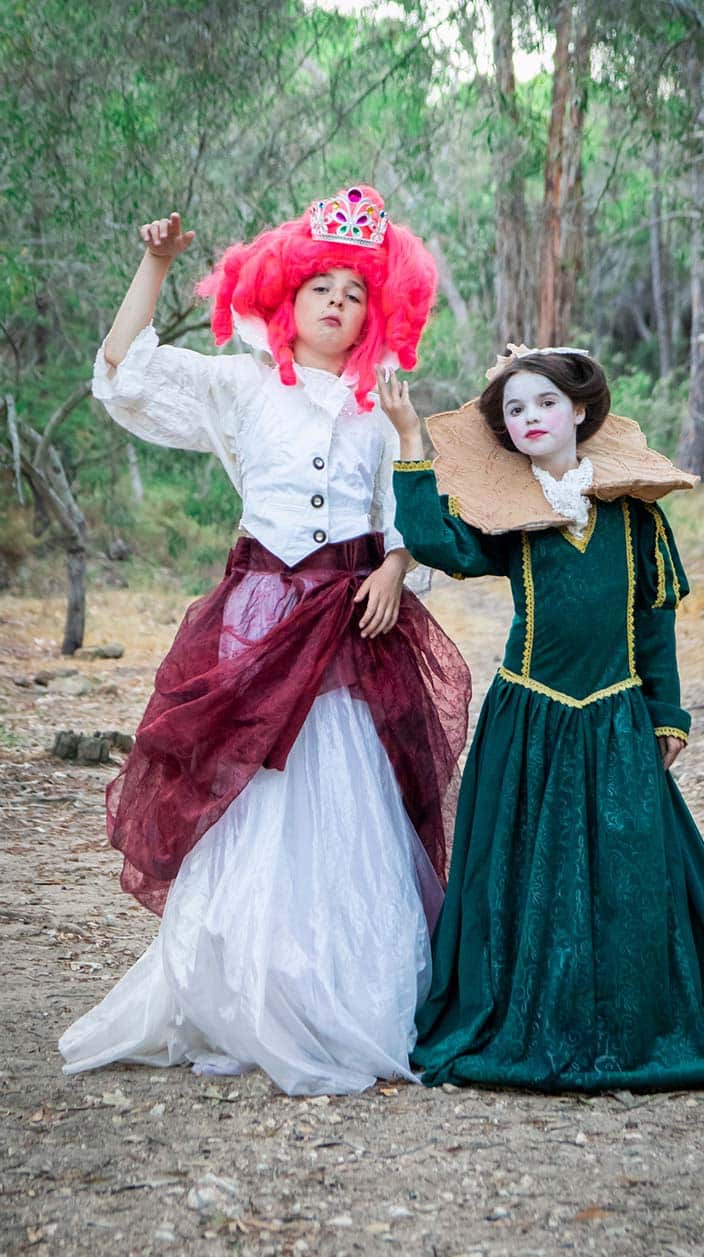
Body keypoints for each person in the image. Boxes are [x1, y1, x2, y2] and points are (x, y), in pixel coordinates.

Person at [59, 186, 470, 1096]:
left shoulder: (379, 409)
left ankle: (338, 993)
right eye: (319, 285)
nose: (334, 302)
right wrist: (156, 264)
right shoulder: (243, 384)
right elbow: (122, 373)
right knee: (255, 807)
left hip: (346, 630)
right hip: (257, 622)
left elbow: (409, 518)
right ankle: (247, 992)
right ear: (286, 296)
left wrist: (398, 567)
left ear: (376, 311)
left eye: (354, 292)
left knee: (345, 806)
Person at [376, 346, 704, 1091]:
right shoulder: (508, 514)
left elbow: (654, 617)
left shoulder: (633, 516)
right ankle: (531, 1013)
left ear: (579, 410)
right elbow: (440, 543)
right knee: (521, 877)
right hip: (529, 721)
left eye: (544, 402)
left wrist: (666, 710)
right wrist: (410, 440)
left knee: (632, 867)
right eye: (514, 409)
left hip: (615, 720)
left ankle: (633, 1018)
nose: (530, 417)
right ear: (505, 432)